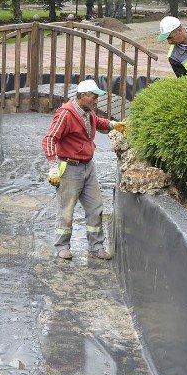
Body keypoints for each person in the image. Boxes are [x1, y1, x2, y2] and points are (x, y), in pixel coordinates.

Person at [42, 79, 127, 261]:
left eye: (97, 96)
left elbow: (97, 122)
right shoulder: (66, 114)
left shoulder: (88, 112)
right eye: (93, 96)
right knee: (66, 211)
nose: (96, 100)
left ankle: (96, 247)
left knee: (95, 208)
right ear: (82, 96)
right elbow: (49, 139)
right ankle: (62, 246)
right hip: (70, 168)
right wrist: (52, 167)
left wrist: (113, 125)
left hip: (88, 167)